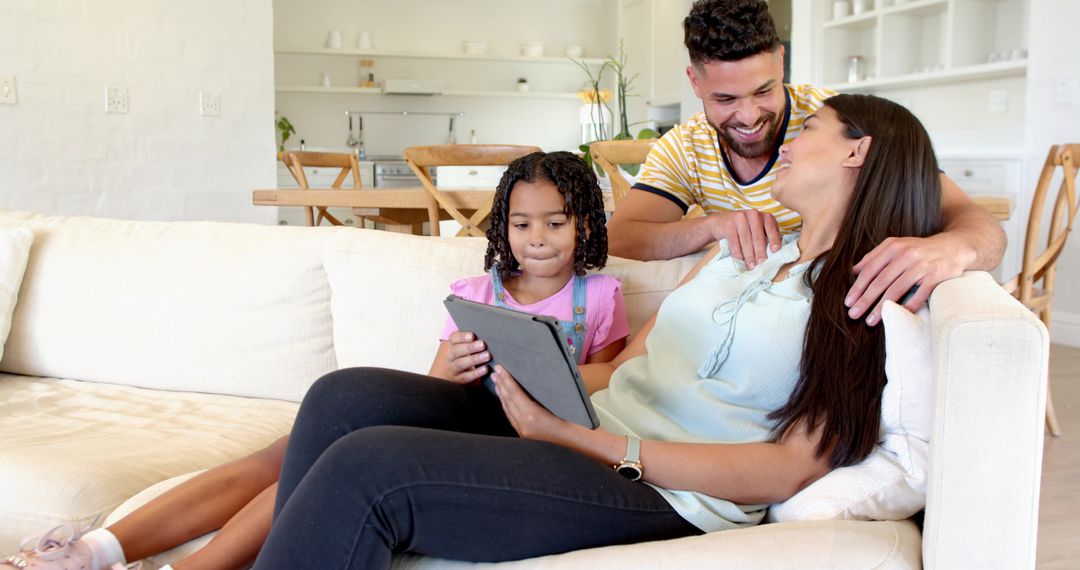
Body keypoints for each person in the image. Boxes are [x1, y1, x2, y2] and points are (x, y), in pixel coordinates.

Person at [250, 93, 944, 569]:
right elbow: (621, 370)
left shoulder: (866, 293)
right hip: (588, 423)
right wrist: (526, 379)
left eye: (811, 128)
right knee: (344, 398)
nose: (788, 140)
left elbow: (788, 468)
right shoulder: (744, 250)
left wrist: (589, 441)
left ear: (859, 153)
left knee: (370, 467)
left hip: (659, 487)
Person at [2, 152, 629, 570]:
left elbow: (606, 390)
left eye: (555, 222)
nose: (538, 238)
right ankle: (98, 547)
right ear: (505, 228)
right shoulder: (478, 293)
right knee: (281, 453)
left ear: (585, 225)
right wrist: (458, 366)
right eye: (522, 224)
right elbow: (433, 388)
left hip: (518, 439)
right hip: (455, 415)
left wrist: (556, 371)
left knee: (317, 463)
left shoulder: (600, 298)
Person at [606, 0, 1003, 328]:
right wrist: (714, 226)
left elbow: (971, 217)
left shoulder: (834, 120)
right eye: (725, 100)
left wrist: (955, 247)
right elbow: (621, 237)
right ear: (695, 83)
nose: (748, 116)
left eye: (764, 90)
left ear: (781, 62)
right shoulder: (684, 147)